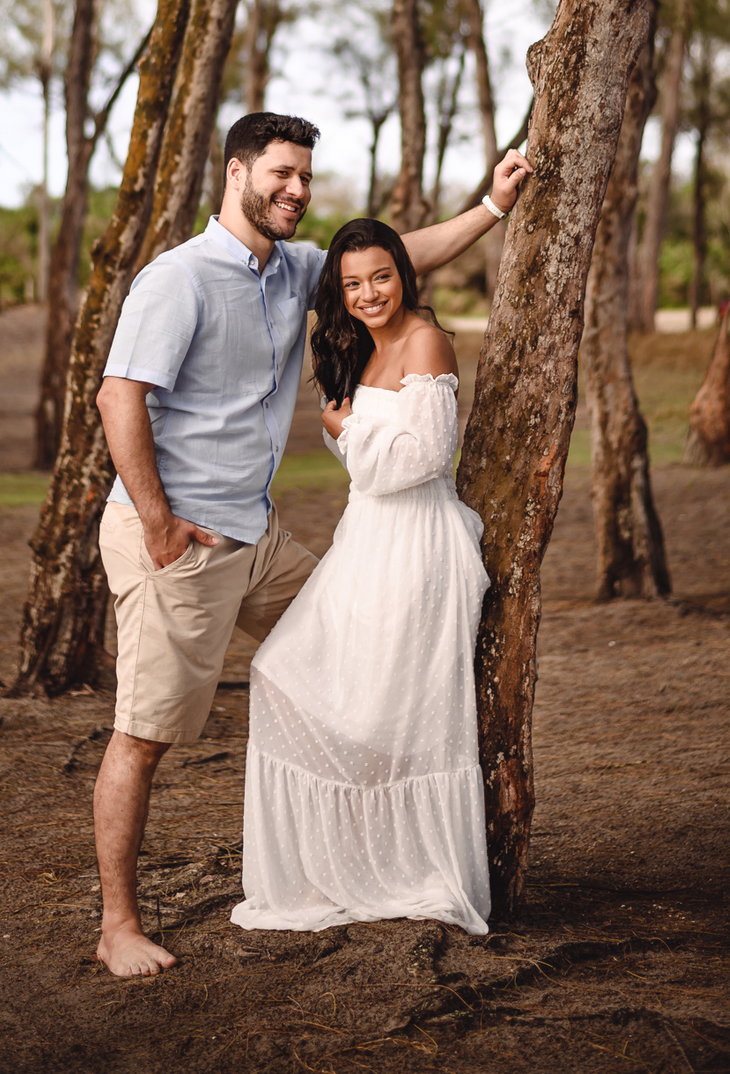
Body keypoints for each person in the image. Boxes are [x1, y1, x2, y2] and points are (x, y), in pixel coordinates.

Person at [94, 112, 531, 976]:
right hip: (183, 541)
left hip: (258, 539)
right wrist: (157, 525)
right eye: (281, 174)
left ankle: (377, 856)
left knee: (356, 655)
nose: (296, 190)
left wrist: (491, 204)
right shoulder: (176, 280)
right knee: (144, 734)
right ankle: (117, 925)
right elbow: (118, 399)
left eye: (304, 177)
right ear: (237, 172)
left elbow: (399, 256)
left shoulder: (295, 268)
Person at [230, 218, 491, 934]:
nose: (369, 292)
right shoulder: (359, 350)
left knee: (392, 708)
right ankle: (341, 861)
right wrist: (351, 434)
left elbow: (427, 457)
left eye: (381, 275)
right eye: (352, 283)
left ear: (403, 272)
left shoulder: (424, 341)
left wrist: (348, 431)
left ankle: (411, 863)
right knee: (284, 671)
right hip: (367, 536)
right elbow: (377, 459)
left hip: (417, 541)